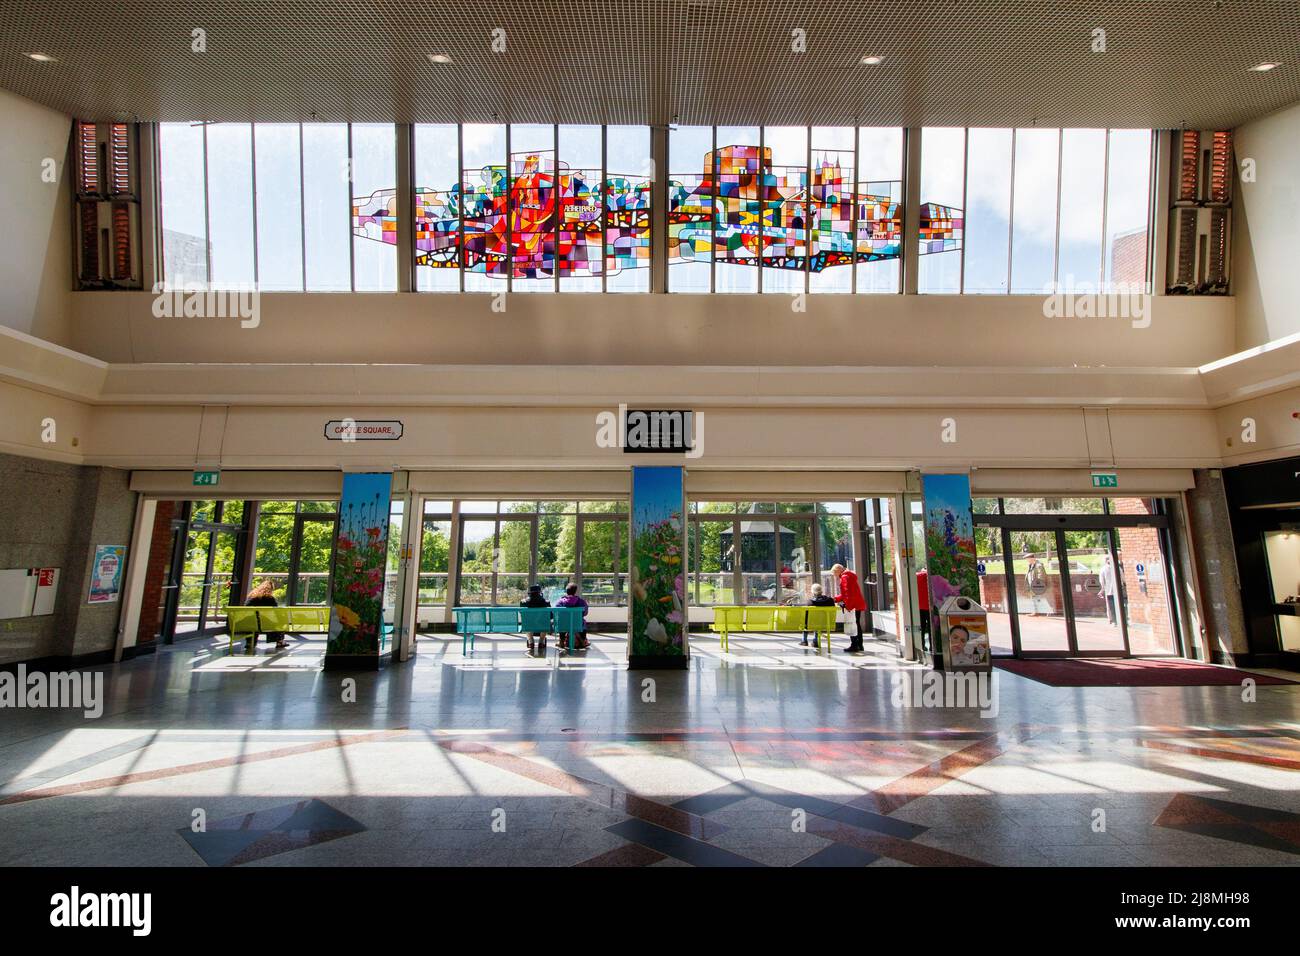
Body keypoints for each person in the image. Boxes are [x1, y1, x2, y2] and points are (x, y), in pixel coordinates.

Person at [830, 563, 866, 653]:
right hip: (857, 603)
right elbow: (847, 593)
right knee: (856, 624)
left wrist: (848, 606)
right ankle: (860, 644)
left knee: (852, 625)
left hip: (852, 605)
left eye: (834, 574)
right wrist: (835, 599)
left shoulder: (844, 577)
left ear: (837, 571)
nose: (835, 576)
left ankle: (854, 645)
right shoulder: (849, 576)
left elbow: (846, 593)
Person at [244, 579, 286, 650]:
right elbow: (276, 612)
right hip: (265, 623)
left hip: (250, 623)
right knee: (279, 622)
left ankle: (250, 642)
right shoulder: (270, 599)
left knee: (253, 620)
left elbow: (245, 609)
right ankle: (279, 641)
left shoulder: (251, 597)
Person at [555, 582, 590, 650]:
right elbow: (585, 613)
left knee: (562, 622)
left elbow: (556, 613)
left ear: (566, 591)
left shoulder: (560, 601)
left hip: (563, 625)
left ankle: (561, 641)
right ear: (575, 591)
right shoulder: (581, 601)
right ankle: (582, 639)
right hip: (578, 624)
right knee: (583, 622)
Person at [802, 583, 836, 647]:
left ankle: (804, 640)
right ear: (821, 591)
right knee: (818, 621)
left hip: (811, 624)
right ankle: (815, 641)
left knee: (806, 621)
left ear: (812, 592)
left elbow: (806, 617)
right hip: (826, 623)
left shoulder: (810, 602)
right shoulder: (830, 601)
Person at [520, 584, 551, 654]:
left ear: (530, 593)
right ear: (540, 592)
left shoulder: (523, 602)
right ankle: (541, 641)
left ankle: (531, 641)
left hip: (528, 626)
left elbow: (521, 613)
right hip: (543, 626)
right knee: (545, 622)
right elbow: (550, 616)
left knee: (527, 621)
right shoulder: (546, 602)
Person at [1099, 554, 1118, 625]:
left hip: (1109, 591)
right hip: (1117, 590)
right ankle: (1118, 619)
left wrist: (1103, 589)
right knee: (1118, 605)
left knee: (1111, 606)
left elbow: (1101, 581)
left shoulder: (1103, 569)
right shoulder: (1117, 567)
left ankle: (1113, 620)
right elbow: (1122, 578)